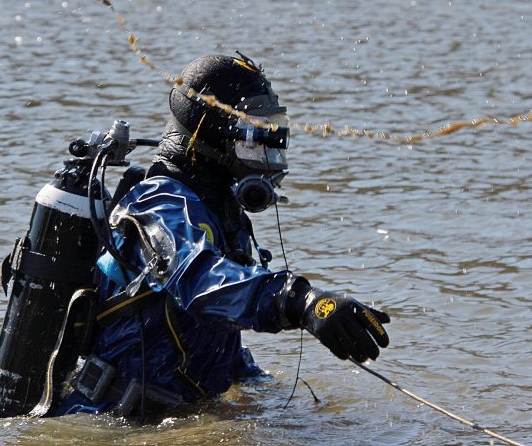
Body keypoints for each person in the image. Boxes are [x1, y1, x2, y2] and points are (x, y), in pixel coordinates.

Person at [52, 53, 390, 417]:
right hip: (111, 422)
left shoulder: (217, 210)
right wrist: (301, 301)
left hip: (170, 416)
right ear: (213, 133)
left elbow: (211, 337)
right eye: (252, 136)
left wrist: (262, 391)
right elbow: (200, 281)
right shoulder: (162, 203)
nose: (264, 151)